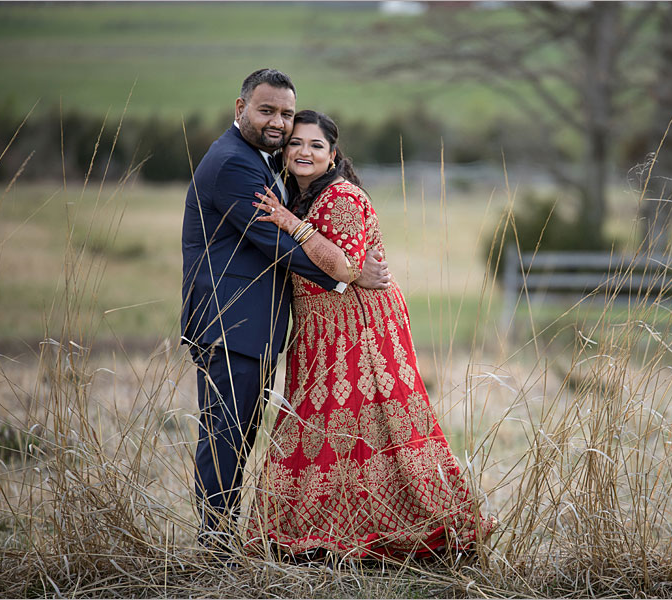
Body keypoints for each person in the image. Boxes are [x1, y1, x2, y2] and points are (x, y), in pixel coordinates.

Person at [244, 110, 495, 560]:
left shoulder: (340, 196)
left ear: (332, 154)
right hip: (321, 326)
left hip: (358, 326)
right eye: (296, 143)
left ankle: (425, 529)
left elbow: (344, 267)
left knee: (369, 424)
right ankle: (320, 536)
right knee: (320, 424)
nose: (304, 151)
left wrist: (288, 222)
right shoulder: (298, 196)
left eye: (316, 145)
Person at [180, 70, 390, 552]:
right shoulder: (234, 164)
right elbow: (273, 240)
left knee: (239, 432)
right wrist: (348, 272)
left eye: (286, 114)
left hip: (252, 328)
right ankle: (215, 546)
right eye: (266, 111)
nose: (278, 123)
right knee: (226, 436)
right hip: (230, 324)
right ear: (240, 109)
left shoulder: (259, 160)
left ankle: (223, 538)